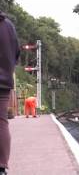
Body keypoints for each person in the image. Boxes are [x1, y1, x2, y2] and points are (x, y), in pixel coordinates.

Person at [0, 10, 20, 175]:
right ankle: (1, 167)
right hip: (3, 82)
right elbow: (16, 52)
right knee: (1, 122)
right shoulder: (8, 26)